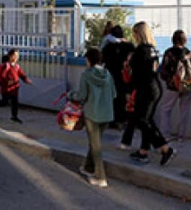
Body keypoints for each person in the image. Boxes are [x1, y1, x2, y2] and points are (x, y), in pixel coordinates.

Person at [125, 22, 177, 166]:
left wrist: (130, 91)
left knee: (142, 120)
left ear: (139, 34)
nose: (133, 36)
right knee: (147, 120)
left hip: (145, 89)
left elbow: (136, 74)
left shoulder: (140, 51)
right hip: (154, 87)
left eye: (134, 33)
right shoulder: (152, 49)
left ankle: (165, 148)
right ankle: (143, 151)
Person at [70, 46, 116, 188]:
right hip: (107, 114)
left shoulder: (86, 74)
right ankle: (88, 167)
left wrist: (70, 95)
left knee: (96, 146)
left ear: (88, 60)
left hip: (92, 114)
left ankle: (100, 177)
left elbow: (82, 96)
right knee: (95, 142)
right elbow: (114, 94)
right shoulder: (108, 74)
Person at [158, 30, 191, 142]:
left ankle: (165, 135)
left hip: (173, 85)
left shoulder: (169, 52)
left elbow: (164, 71)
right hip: (188, 85)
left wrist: (168, 79)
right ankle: (181, 136)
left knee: (165, 110)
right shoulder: (188, 52)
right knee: (184, 111)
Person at [102, 25, 135, 130]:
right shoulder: (129, 46)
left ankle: (112, 120)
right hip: (124, 76)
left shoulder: (108, 47)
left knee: (111, 99)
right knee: (122, 98)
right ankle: (122, 120)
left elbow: (102, 59)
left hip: (110, 76)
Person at [0, 49, 32, 123]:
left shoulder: (17, 66)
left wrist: (26, 80)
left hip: (15, 88)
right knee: (4, 102)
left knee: (15, 102)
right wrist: (8, 81)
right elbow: (3, 75)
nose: (16, 57)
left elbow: (21, 74)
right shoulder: (6, 65)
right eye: (14, 55)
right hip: (6, 88)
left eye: (17, 56)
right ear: (10, 56)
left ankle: (14, 116)